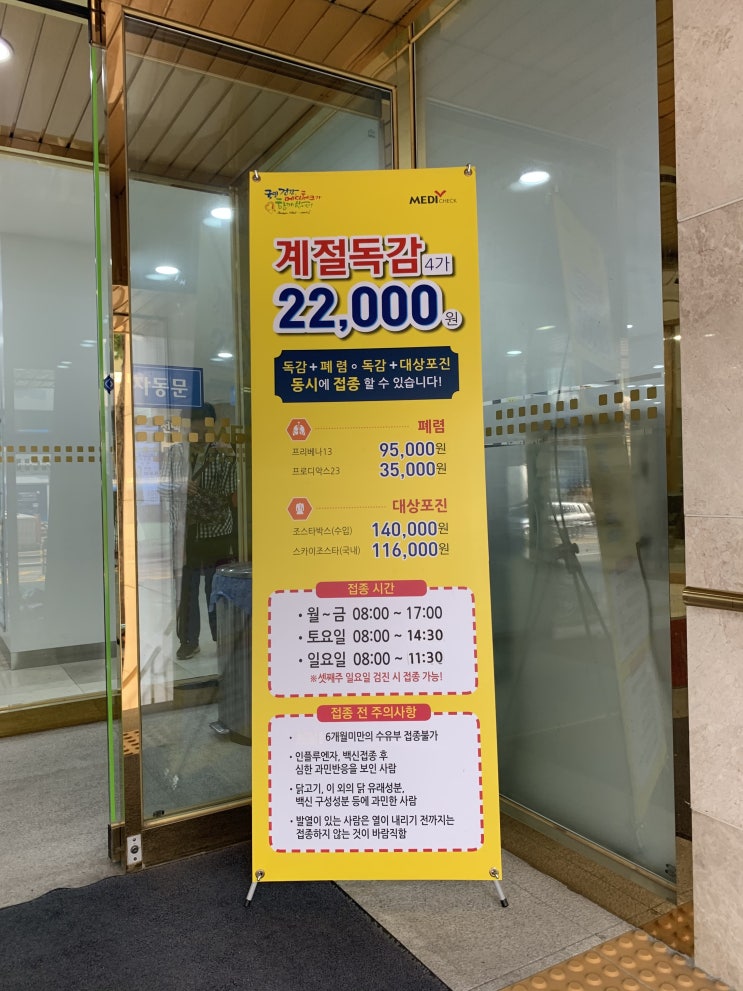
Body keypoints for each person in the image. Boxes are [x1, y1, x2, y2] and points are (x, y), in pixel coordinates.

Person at [160, 403, 237, 659]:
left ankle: (221, 638)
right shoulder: (174, 452)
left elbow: (228, 491)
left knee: (217, 587)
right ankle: (189, 640)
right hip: (185, 533)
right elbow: (162, 487)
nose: (200, 433)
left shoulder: (222, 452)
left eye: (205, 427)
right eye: (194, 427)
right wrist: (180, 487)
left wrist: (230, 458)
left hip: (217, 531)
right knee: (186, 589)